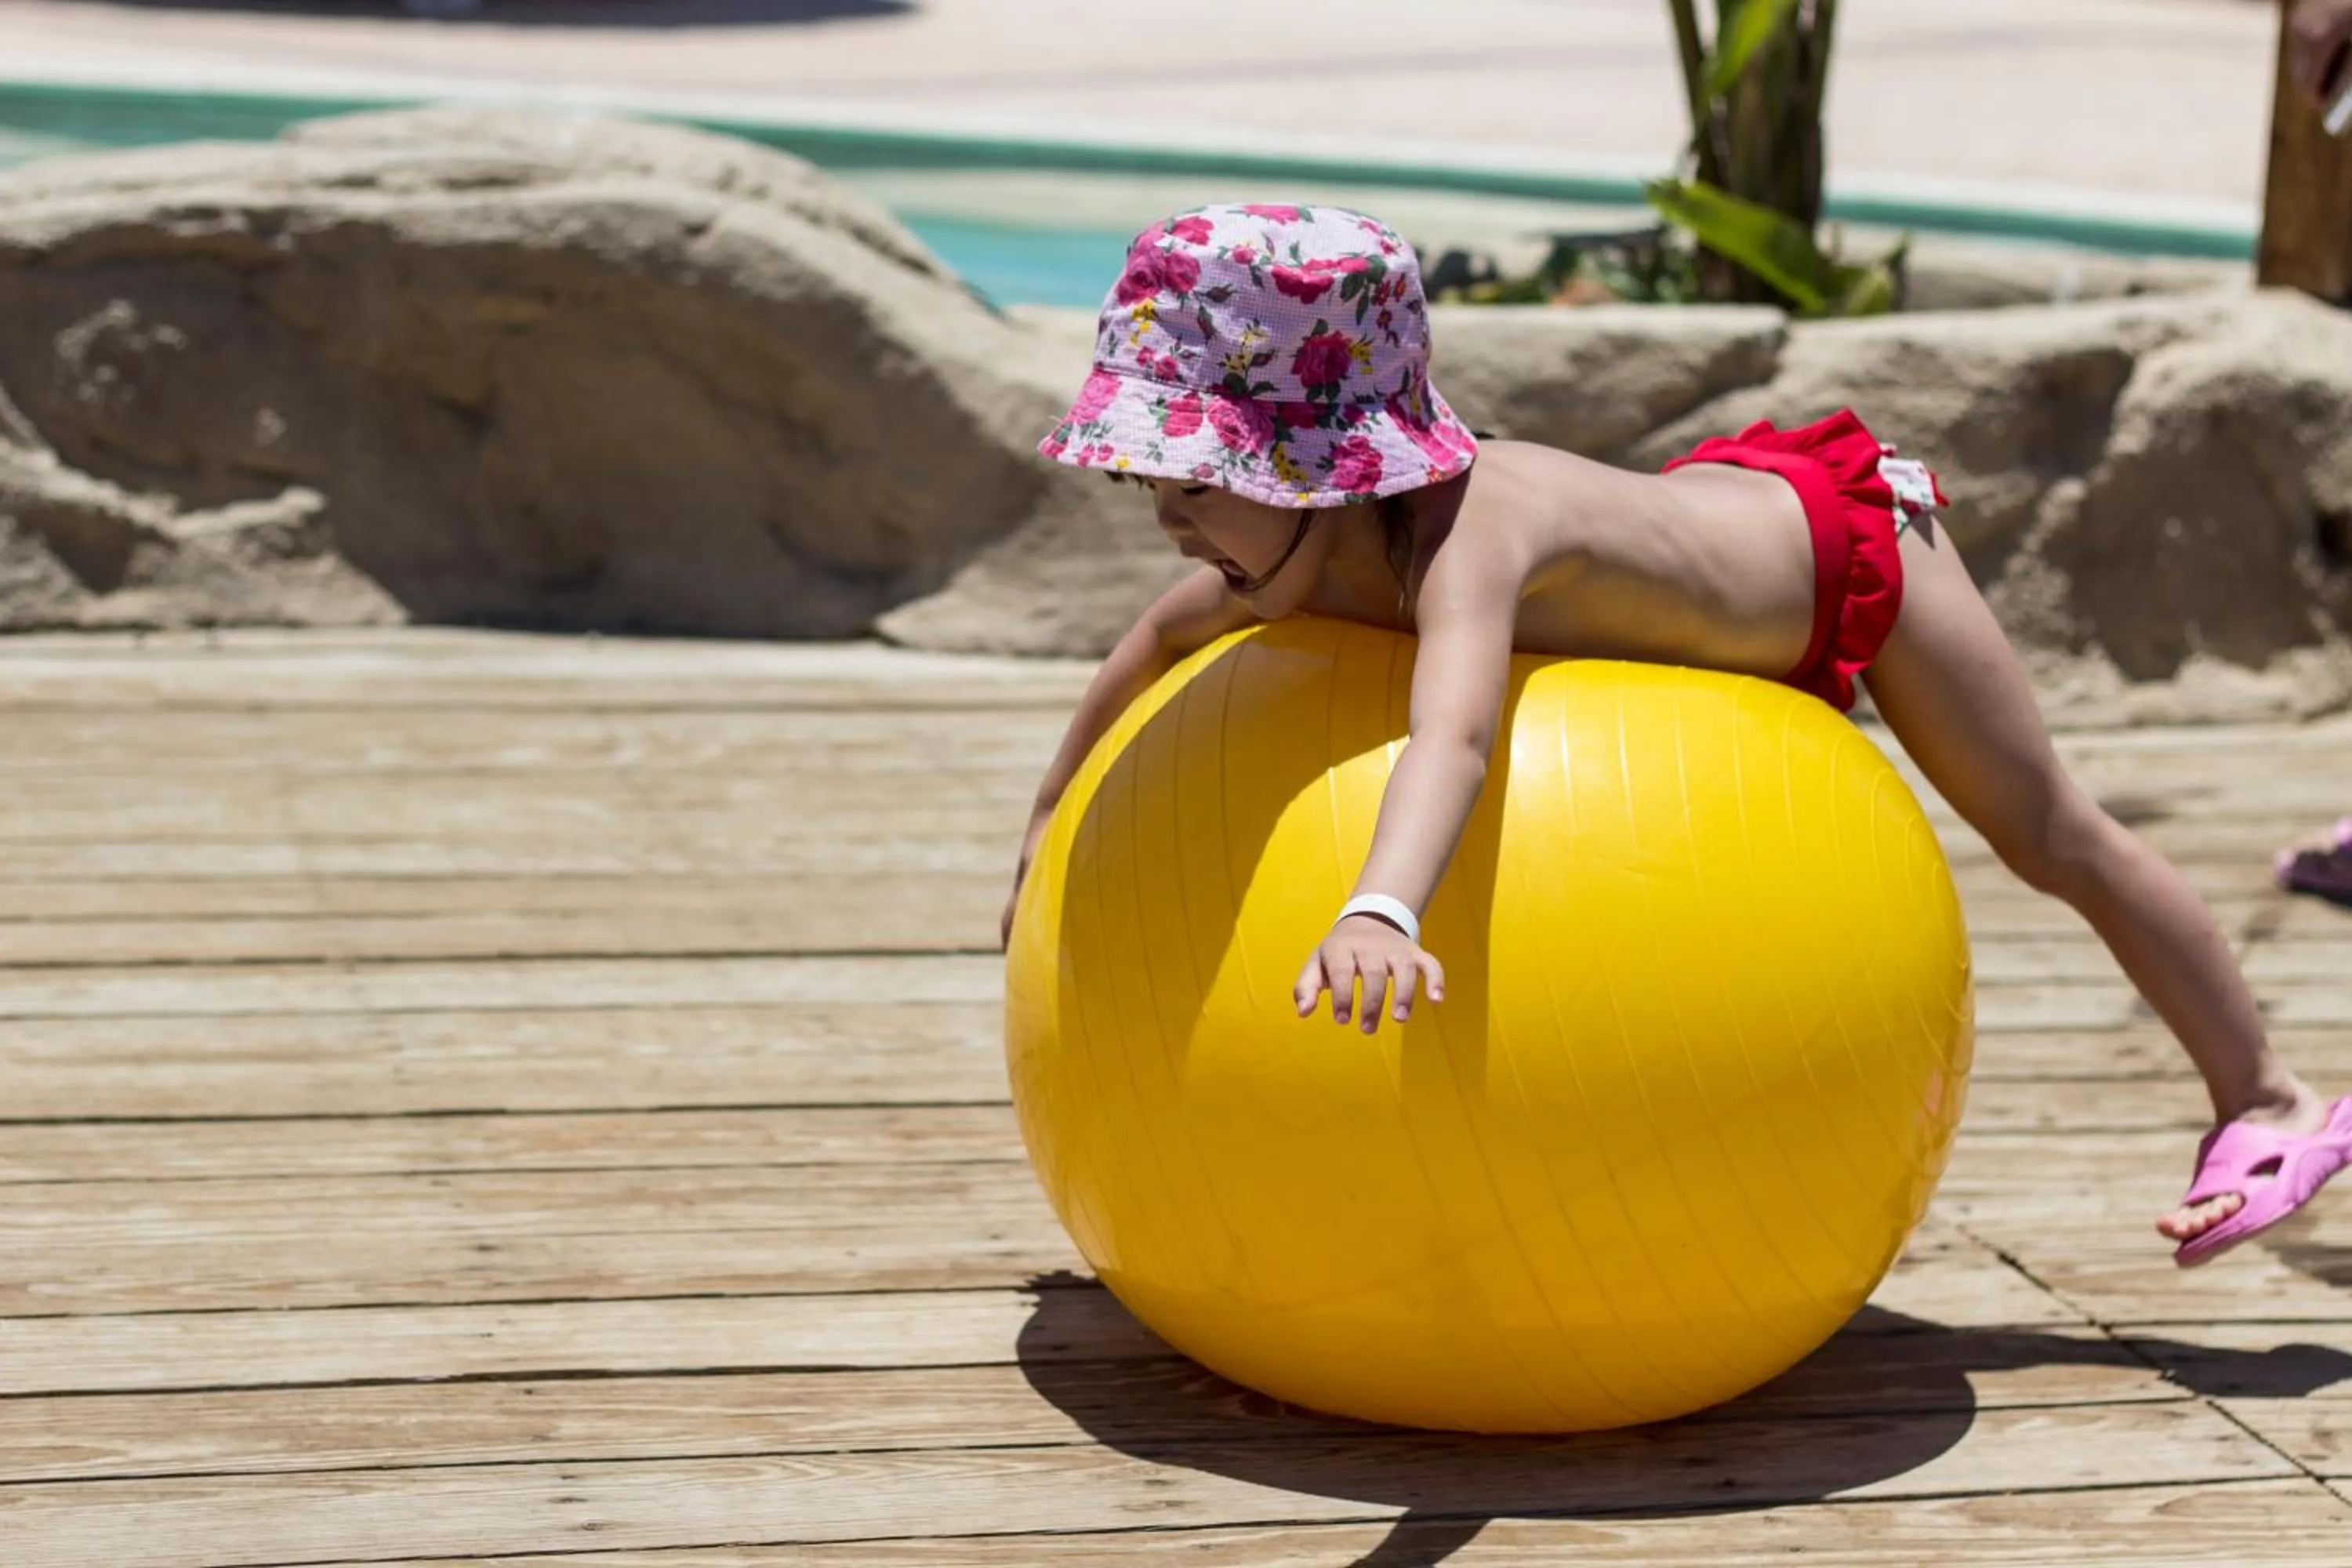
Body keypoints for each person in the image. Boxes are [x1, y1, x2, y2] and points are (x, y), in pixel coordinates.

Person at [1004, 201, 2352, 1267]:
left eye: (1195, 482)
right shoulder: (1301, 553)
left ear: (1318, 469)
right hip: (1706, 521)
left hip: (1838, 555)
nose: (1165, 515)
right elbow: (1157, 642)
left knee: (2050, 833)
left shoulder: (1471, 543)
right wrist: (1049, 817)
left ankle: (2271, 1096)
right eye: (1152, 480)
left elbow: (1455, 738)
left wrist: (1382, 909)